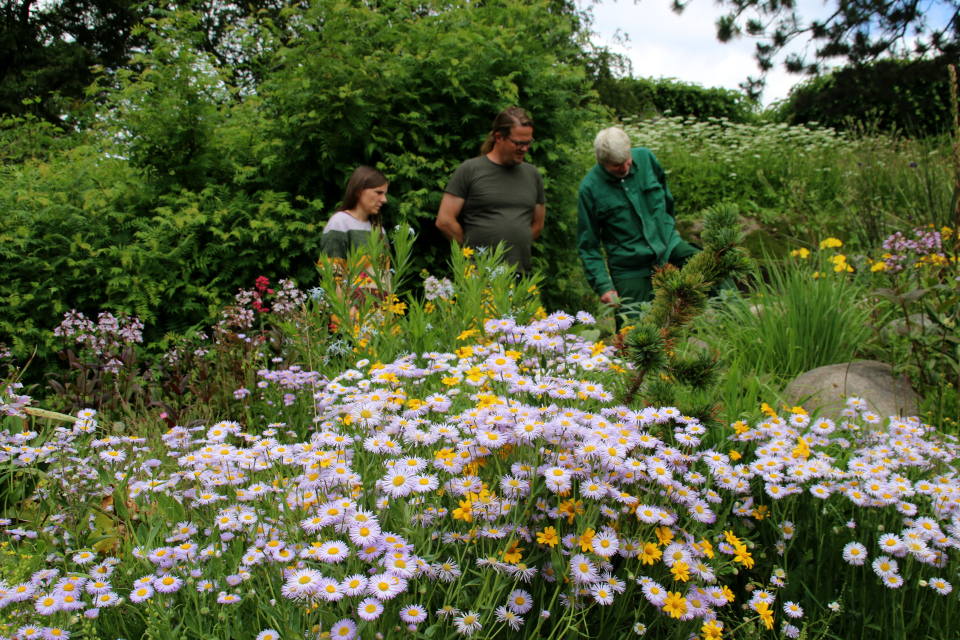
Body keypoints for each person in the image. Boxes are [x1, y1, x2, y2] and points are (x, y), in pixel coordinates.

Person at [577, 127, 701, 327]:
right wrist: (604, 286)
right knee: (632, 333)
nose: (625, 167)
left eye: (627, 160)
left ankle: (740, 325)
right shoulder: (589, 188)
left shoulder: (646, 158)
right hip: (630, 267)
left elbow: (667, 201)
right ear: (601, 162)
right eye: (617, 165)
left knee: (712, 263)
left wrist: (668, 228)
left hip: (667, 245)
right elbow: (588, 245)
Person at [435, 107, 546, 275]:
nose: (524, 148)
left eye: (528, 142)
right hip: (479, 274)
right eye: (518, 143)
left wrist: (512, 248)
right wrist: (470, 253)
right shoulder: (470, 170)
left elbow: (537, 226)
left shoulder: (532, 174)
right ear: (498, 137)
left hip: (520, 274)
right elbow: (444, 220)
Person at [319, 166, 390, 297]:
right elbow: (330, 274)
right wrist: (347, 310)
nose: (384, 199)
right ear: (358, 191)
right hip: (351, 314)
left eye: (384, 194)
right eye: (378, 193)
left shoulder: (379, 230)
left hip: (380, 313)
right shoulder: (340, 223)